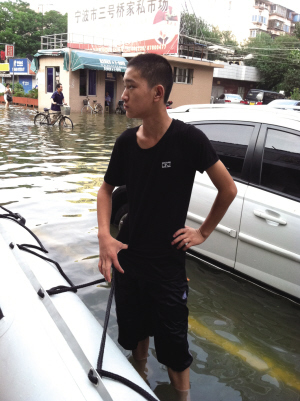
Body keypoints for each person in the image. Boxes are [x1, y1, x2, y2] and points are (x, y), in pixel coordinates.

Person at [97, 53, 237, 397]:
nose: (123, 95)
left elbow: (228, 189)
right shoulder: (126, 143)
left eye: (131, 86)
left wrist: (202, 232)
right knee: (134, 334)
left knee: (174, 345)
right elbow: (105, 189)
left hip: (167, 264)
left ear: (157, 92)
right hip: (128, 257)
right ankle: (140, 374)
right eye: (123, 87)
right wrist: (105, 236)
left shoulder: (188, 140)